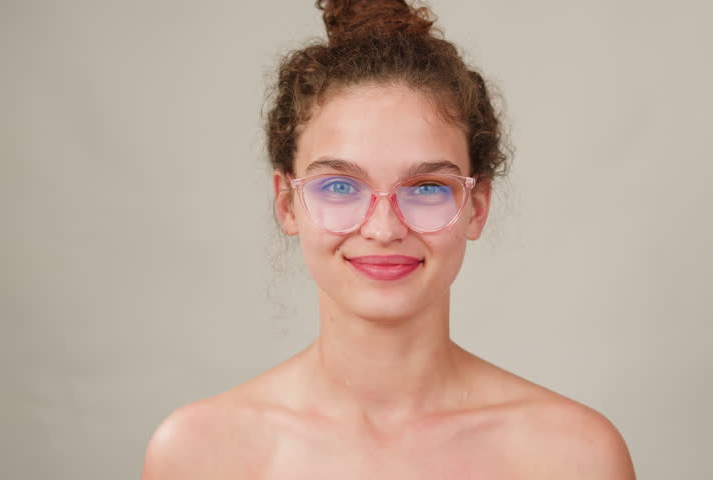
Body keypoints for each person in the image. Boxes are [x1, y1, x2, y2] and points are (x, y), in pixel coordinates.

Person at [141, 1, 636, 478]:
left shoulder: (575, 457)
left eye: (425, 187)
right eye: (339, 185)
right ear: (287, 203)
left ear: (477, 206)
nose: (383, 228)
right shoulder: (197, 455)